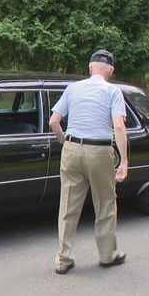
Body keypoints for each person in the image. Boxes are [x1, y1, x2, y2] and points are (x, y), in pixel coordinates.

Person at [49, 49, 128, 275]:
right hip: (100, 151)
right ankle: (107, 255)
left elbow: (54, 121)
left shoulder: (73, 88)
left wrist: (66, 141)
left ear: (90, 67)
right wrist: (123, 161)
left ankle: (63, 259)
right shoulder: (113, 91)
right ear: (110, 70)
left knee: (68, 205)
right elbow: (119, 127)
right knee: (105, 203)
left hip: (72, 149)